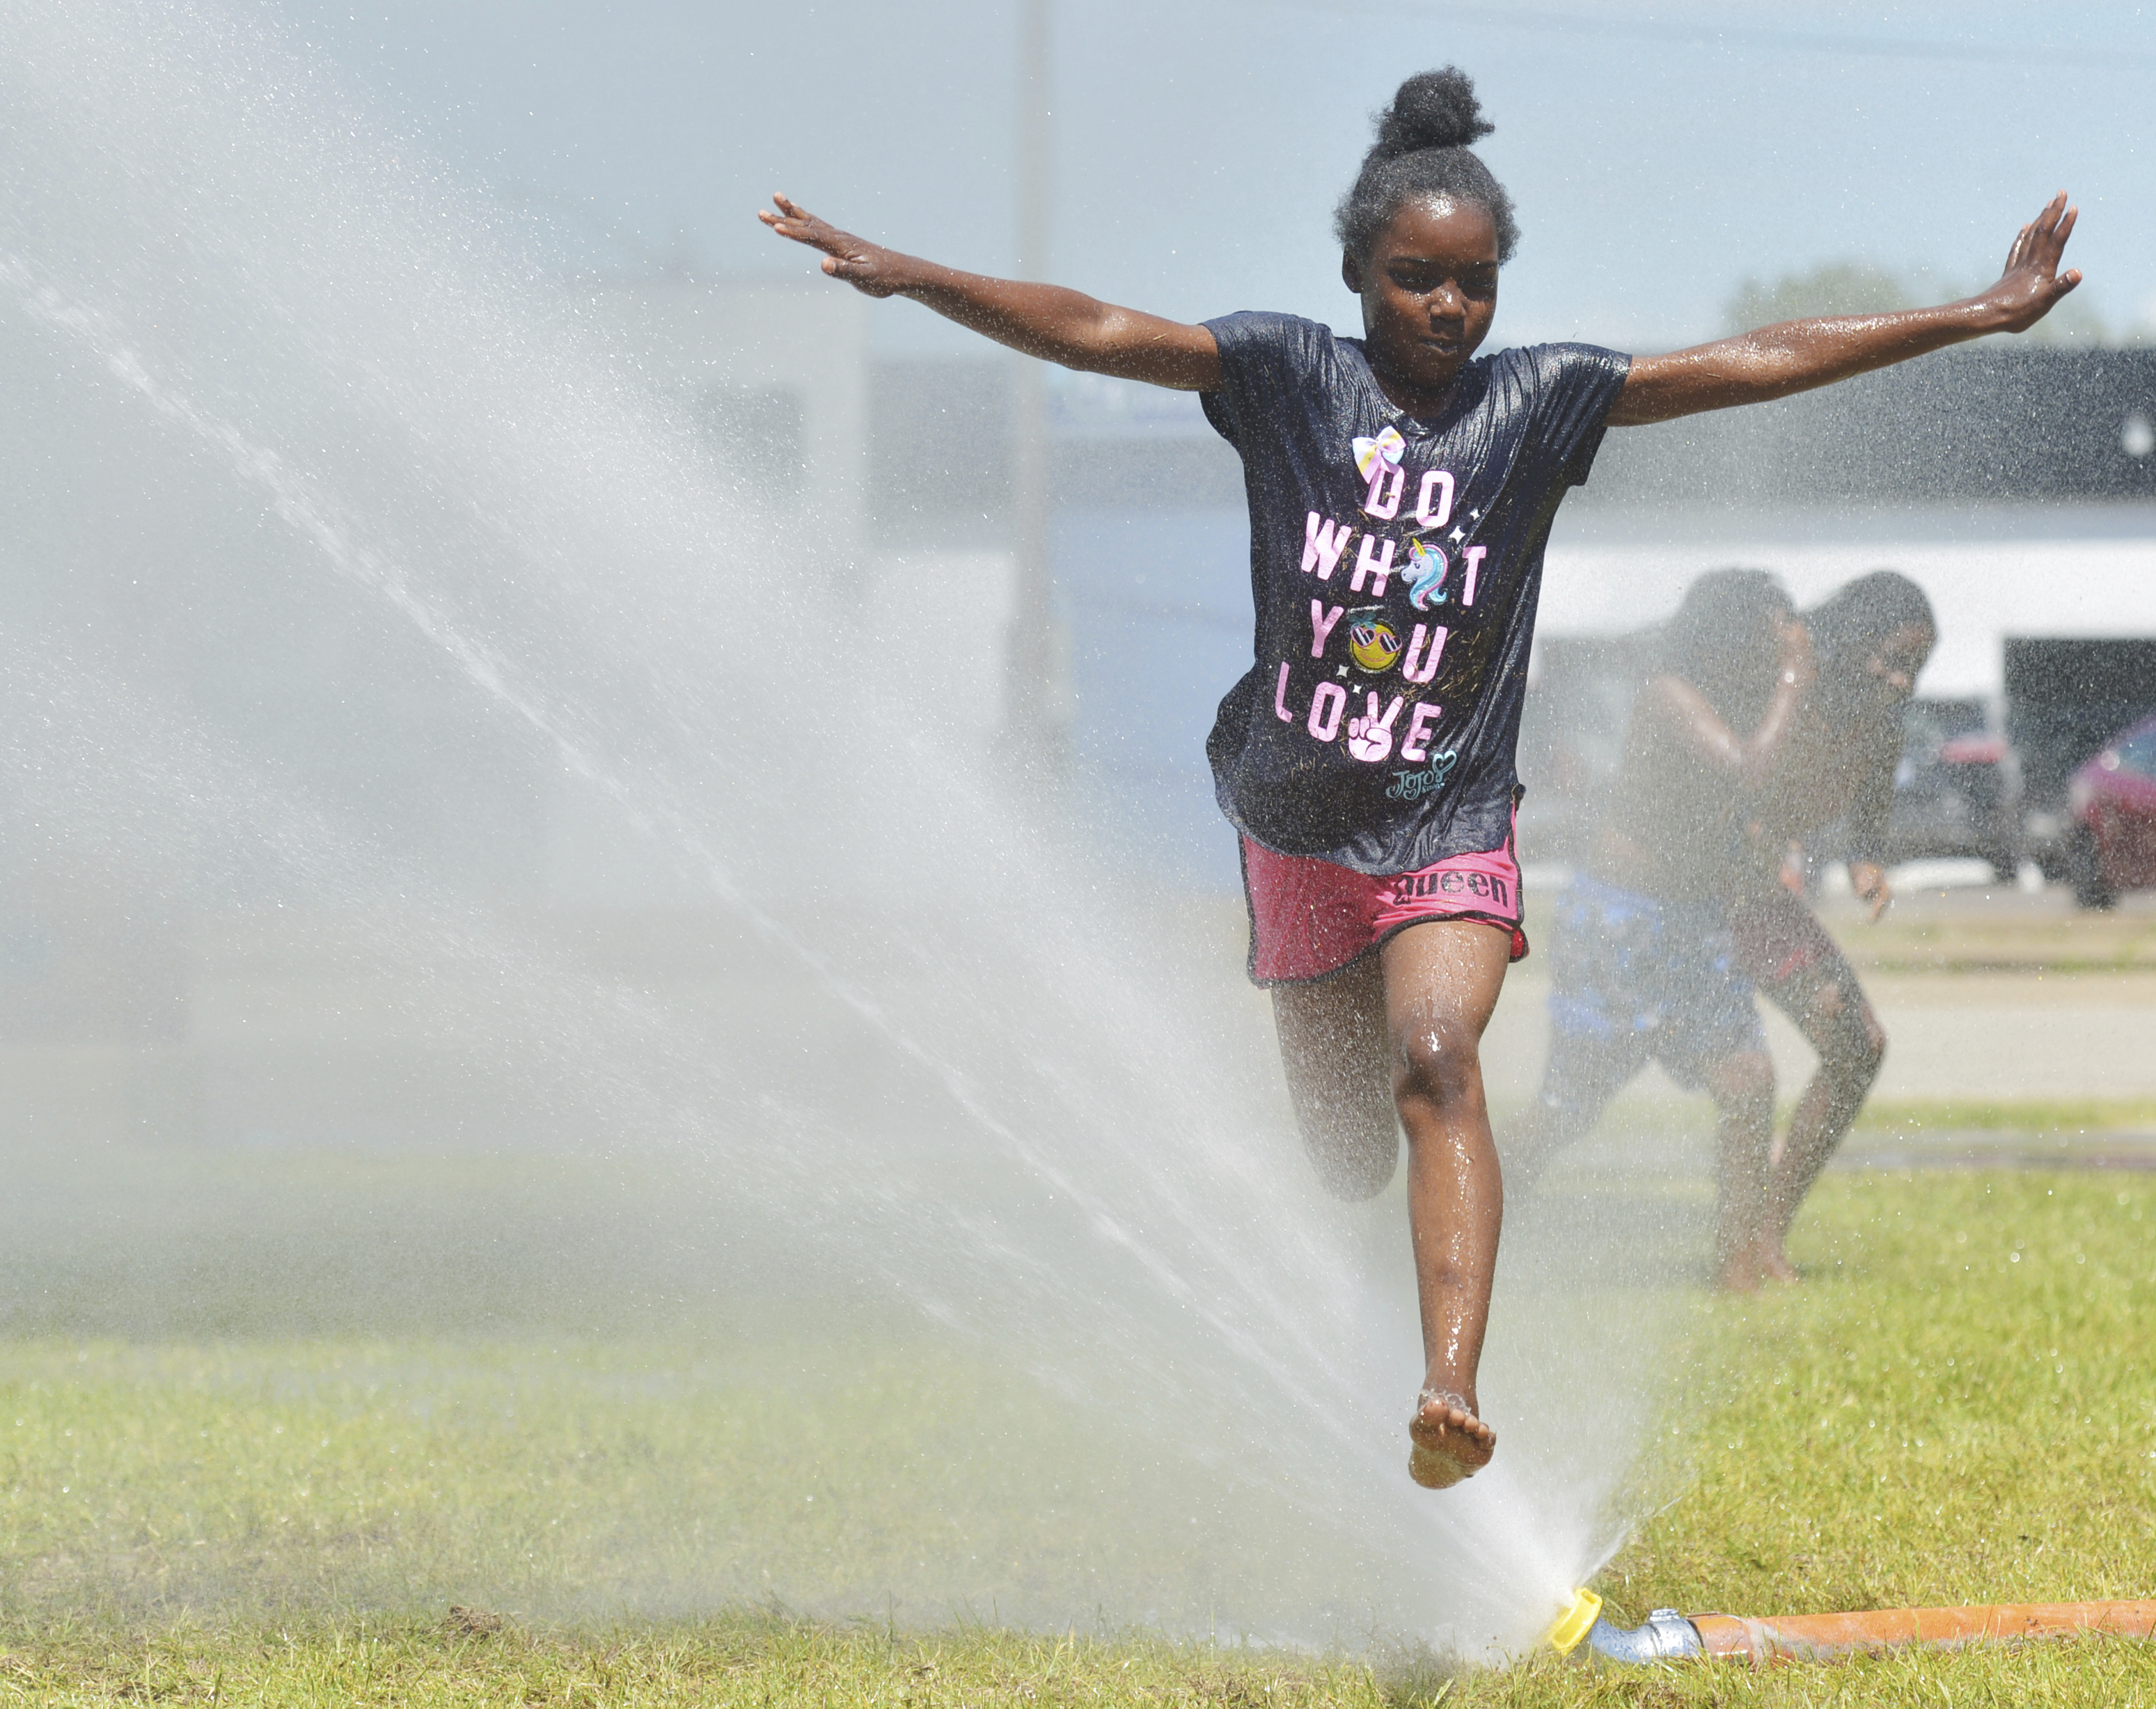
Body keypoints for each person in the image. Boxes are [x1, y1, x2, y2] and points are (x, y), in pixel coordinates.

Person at [759, 66, 2082, 1488]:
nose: (1448, 309)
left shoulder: (1542, 405)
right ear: (1357, 275)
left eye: (1473, 283)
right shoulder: (1282, 376)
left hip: (1449, 821)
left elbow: (1751, 359)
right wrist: (908, 278)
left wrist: (1973, 314)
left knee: (1440, 1061)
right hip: (1297, 830)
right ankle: (1375, 1302)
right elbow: (1096, 332)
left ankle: (1448, 1390)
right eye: (1414, 281)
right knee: (1345, 1160)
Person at [1504, 572, 1814, 1291]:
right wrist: (1796, 679)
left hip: (1693, 929)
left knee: (1748, 1079)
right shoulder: (1671, 696)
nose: (1779, 656)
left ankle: (1737, 1264)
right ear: (1730, 639)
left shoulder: (1742, 705)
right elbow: (1747, 772)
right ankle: (1459, 1225)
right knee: (1565, 1109)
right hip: (1625, 927)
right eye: (1770, 640)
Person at [1741, 572, 1937, 1280]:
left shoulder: (1877, 717)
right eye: (1892, 657)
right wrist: (1759, 837)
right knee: (1577, 1094)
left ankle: (1762, 1233)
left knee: (1857, 1041)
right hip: (1696, 897)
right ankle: (1490, 1219)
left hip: (1755, 899)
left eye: (1915, 668)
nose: (1901, 680)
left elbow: (1875, 784)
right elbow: (1728, 775)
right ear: (1852, 636)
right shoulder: (1785, 680)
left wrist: (1864, 859)